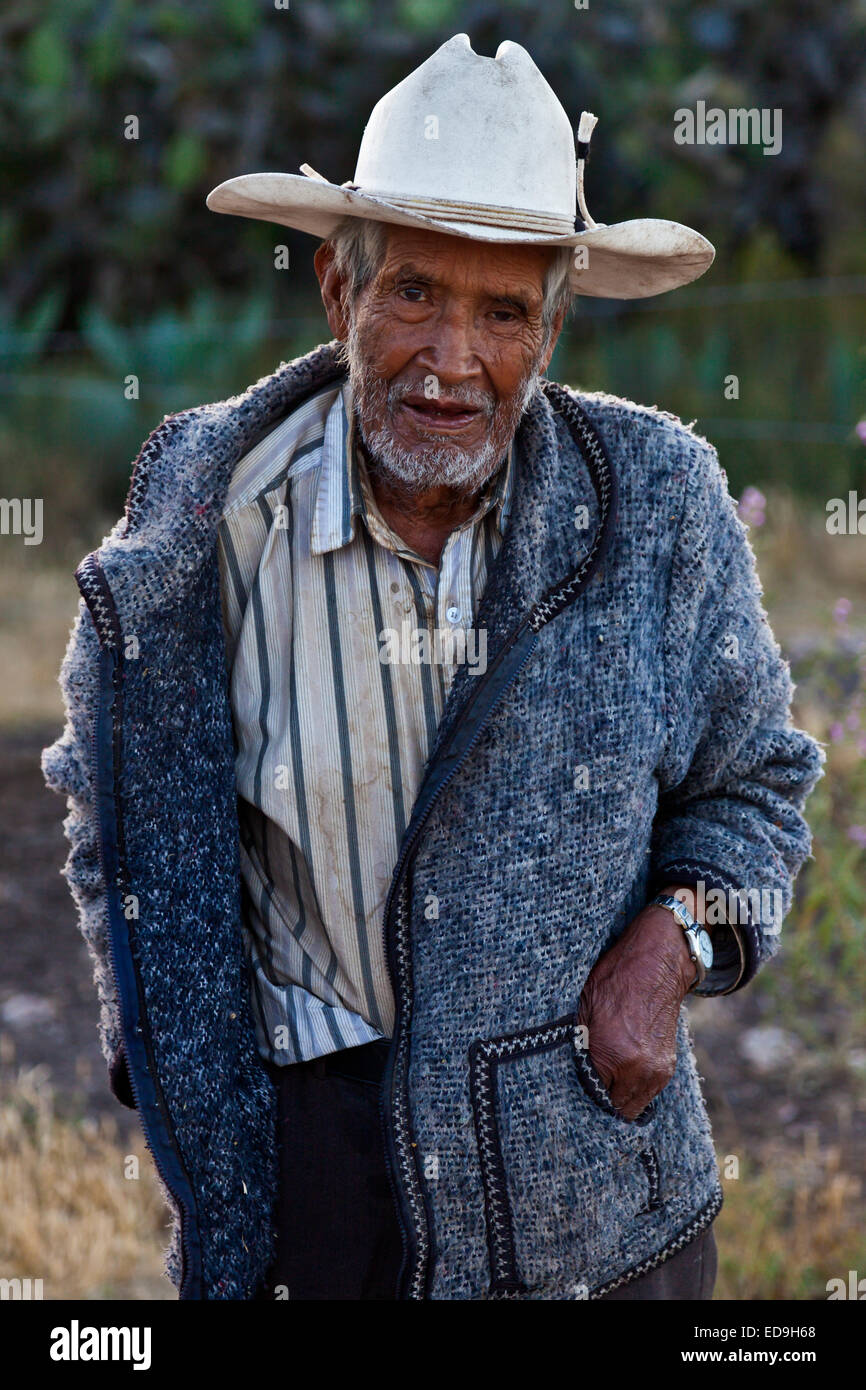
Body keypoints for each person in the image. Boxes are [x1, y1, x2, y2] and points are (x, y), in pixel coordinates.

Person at [43, 32, 824, 1300]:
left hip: (595, 1209)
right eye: (413, 294)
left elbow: (755, 792)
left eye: (502, 312)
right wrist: (159, 1040)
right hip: (302, 1204)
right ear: (339, 294)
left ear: (554, 327)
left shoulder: (657, 505)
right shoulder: (199, 527)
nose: (450, 360)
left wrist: (674, 942)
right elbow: (109, 809)